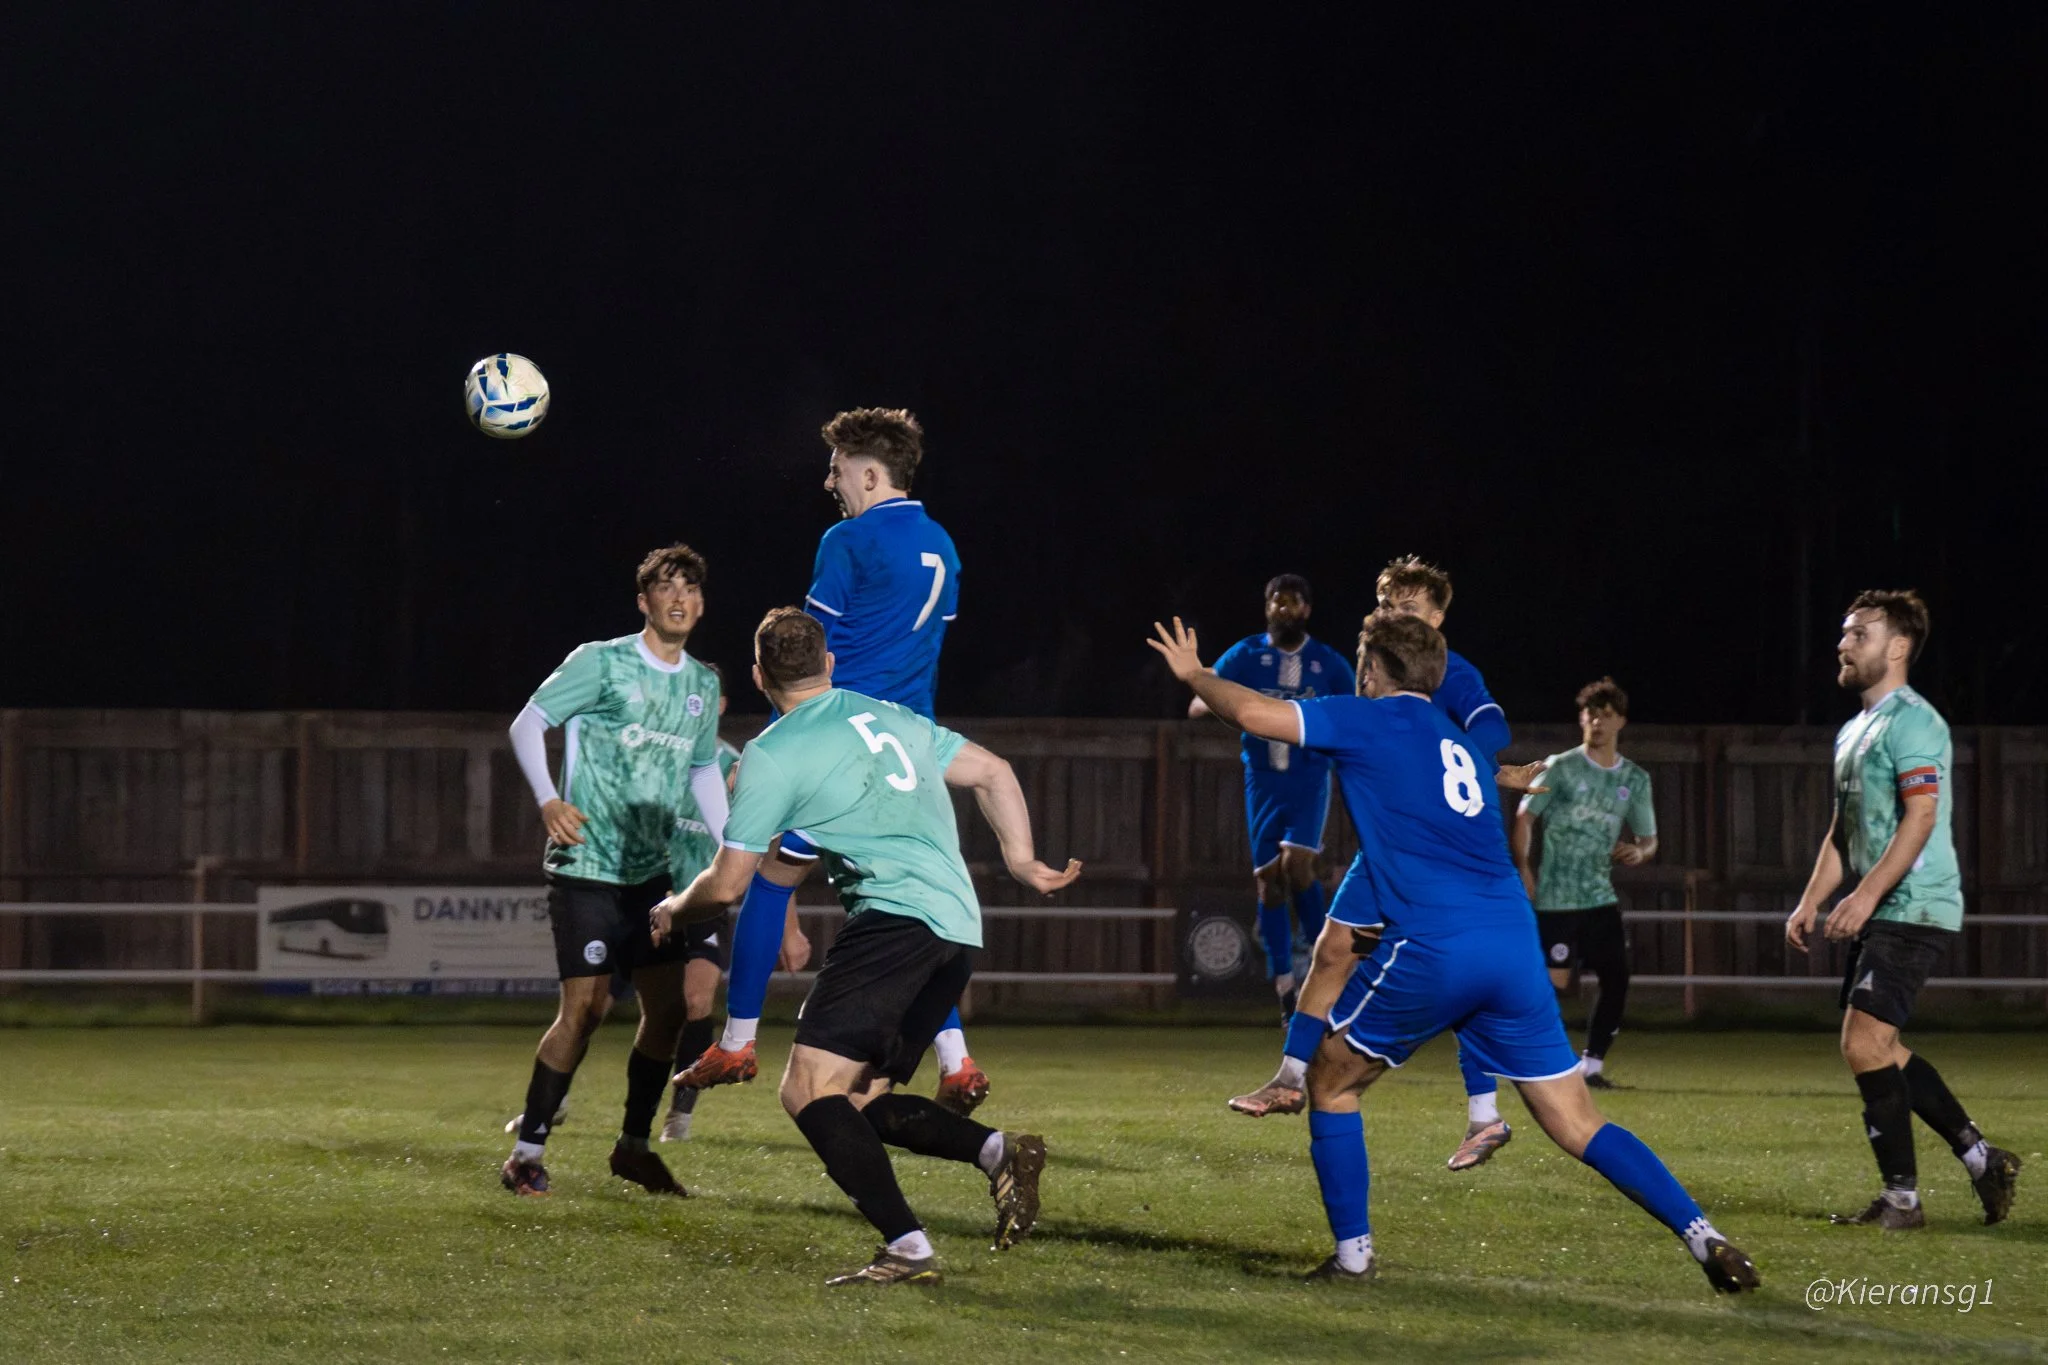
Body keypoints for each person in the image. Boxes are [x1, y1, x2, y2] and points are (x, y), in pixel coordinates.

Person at [1152, 610, 1758, 1293]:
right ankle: (1703, 1235)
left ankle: (1353, 1259)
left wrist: (1196, 674)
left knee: (1331, 1080)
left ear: (1372, 669)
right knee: (1577, 1120)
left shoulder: (1365, 716)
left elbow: (1258, 714)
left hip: (1438, 946)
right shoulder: (1457, 741)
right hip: (1511, 947)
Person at [652, 608, 1082, 1284]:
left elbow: (733, 881)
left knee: (806, 1090)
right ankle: (1000, 1152)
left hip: (892, 924)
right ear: (829, 663)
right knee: (858, 1101)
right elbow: (994, 770)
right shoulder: (894, 719)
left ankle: (908, 1247)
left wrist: (674, 911)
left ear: (761, 677)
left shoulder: (774, 752)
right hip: (957, 929)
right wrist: (1024, 861)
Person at [681, 409, 990, 1117]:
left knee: (771, 875)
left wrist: (769, 754)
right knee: (903, 901)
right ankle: (956, 1058)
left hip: (843, 746)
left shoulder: (847, 540)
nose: (830, 481)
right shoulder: (943, 544)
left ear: (871, 473)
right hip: (913, 749)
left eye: (839, 468)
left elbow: (808, 655)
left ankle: (737, 1039)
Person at [1228, 556, 1528, 1177]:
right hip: (1389, 847)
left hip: (1432, 852)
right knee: (1335, 951)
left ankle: (1483, 1113)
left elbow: (1491, 725)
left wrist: (1472, 759)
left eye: (1409, 607)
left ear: (1439, 618)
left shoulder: (1447, 671)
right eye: (1388, 604)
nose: (1394, 615)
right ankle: (1287, 1076)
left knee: (1458, 974)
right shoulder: (1382, 672)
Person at [498, 545, 730, 1198]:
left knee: (668, 1014)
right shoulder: (600, 661)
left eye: (691, 586)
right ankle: (527, 1151)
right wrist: (548, 799)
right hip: (587, 867)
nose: (680, 597)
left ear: (701, 603)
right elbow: (528, 723)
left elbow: (703, 771)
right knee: (588, 1007)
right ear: (644, 602)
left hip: (651, 877)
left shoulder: (700, 686)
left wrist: (732, 843)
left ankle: (632, 1147)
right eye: (666, 586)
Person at [1785, 590, 2021, 1229]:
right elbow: (1844, 827)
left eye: (1858, 634)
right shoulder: (1855, 729)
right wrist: (1812, 899)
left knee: (1862, 1042)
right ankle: (1981, 1158)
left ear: (1896, 648)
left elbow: (1920, 818)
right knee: (1881, 1045)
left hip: (1914, 903)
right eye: (1844, 633)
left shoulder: (1915, 721)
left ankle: (1902, 1201)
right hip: (1887, 905)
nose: (1843, 644)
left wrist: (1864, 896)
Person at [1194, 575, 1355, 1020]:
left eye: (1294, 602)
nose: (1284, 609)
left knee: (1298, 863)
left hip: (1308, 778)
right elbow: (1204, 694)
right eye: (1277, 602)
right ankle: (1284, 983)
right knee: (1269, 881)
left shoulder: (1328, 663)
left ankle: (1323, 970)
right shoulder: (1246, 655)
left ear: (1307, 610)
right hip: (1262, 780)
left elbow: (1356, 712)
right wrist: (1208, 700)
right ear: (1266, 608)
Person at [1513, 677, 1657, 1089]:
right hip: (1556, 898)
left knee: (1617, 976)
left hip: (1599, 897)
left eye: (1605, 715)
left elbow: (1649, 841)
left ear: (1620, 722)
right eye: (1590, 714)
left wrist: (1639, 852)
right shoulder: (1560, 767)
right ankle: (1532, 1057)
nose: (1596, 722)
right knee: (1553, 986)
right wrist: (1524, 867)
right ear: (1582, 719)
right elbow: (1525, 817)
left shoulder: (1634, 779)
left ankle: (1591, 1066)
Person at [660, 667, 745, 1143]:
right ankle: (556, 1097)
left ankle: (680, 1113)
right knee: (592, 1003)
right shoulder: (657, 756)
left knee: (697, 1000)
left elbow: (756, 843)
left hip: (703, 898)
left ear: (719, 704)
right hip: (649, 891)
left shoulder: (735, 765)